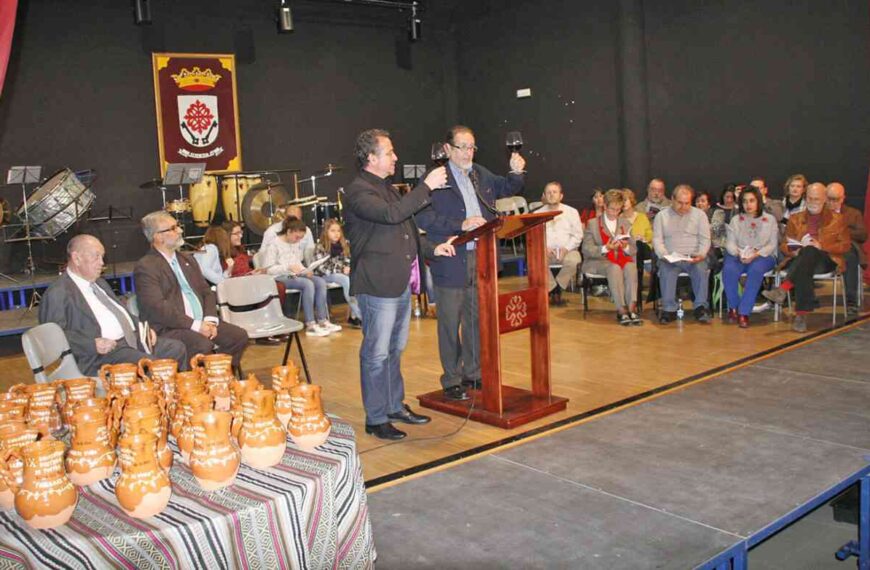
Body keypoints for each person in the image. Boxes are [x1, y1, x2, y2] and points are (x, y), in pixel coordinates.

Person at [344, 128, 456, 441]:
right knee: (376, 354)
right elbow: (393, 215)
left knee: (394, 350)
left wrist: (433, 249)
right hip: (377, 285)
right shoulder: (358, 191)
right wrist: (426, 186)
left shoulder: (388, 188)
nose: (396, 157)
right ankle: (376, 417)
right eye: (389, 152)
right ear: (371, 157)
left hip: (398, 282)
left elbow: (407, 229)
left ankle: (394, 406)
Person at [415, 125, 525, 401]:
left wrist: (516, 171)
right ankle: (451, 378)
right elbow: (422, 218)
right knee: (450, 323)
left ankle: (473, 373)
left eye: (472, 146)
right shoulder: (435, 179)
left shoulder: (480, 173)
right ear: (448, 149)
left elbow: (507, 187)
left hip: (483, 256)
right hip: (453, 258)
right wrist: (460, 224)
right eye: (462, 146)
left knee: (476, 320)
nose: (468, 152)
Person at [39, 234, 188, 377]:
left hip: (129, 341)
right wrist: (92, 344)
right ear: (77, 258)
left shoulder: (99, 283)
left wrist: (143, 328)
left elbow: (121, 313)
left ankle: (172, 396)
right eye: (96, 256)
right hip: (99, 356)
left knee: (176, 349)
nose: (102, 263)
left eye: (102, 257)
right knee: (152, 365)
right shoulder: (58, 293)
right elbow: (51, 337)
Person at [133, 212, 249, 370]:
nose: (180, 231)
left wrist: (210, 321)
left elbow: (206, 291)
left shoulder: (187, 259)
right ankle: (194, 384)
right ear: (158, 237)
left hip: (201, 322)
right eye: (173, 228)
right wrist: (195, 325)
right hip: (170, 327)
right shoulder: (146, 267)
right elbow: (158, 307)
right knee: (202, 344)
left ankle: (217, 378)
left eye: (178, 227)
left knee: (238, 337)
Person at [763, 183, 851, 332]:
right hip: (800, 259)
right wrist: (794, 251)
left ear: (824, 199)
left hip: (826, 259)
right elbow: (784, 244)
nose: (812, 202)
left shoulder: (837, 219)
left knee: (810, 251)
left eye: (816, 199)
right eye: (809, 198)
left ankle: (784, 289)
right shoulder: (795, 218)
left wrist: (821, 246)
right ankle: (800, 316)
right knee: (806, 257)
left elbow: (846, 245)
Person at [261, 217, 339, 337]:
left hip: (294, 275)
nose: (298, 240)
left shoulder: (295, 244)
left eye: (301, 238)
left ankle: (323, 320)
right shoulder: (274, 245)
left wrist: (305, 270)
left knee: (319, 281)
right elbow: (268, 269)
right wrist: (288, 267)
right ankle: (310, 324)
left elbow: (297, 263)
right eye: (297, 237)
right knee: (307, 284)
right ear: (289, 232)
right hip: (279, 277)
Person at [652, 184, 712, 324]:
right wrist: (665, 255)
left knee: (701, 268)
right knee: (667, 269)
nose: (683, 207)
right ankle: (669, 309)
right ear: (672, 199)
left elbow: (705, 239)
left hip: (694, 256)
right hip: (670, 256)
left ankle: (700, 307)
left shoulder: (700, 215)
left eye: (687, 203)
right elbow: (657, 240)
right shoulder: (661, 216)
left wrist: (701, 254)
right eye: (680, 203)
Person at [721, 187, 779, 328]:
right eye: (745, 201)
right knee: (728, 270)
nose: (748, 205)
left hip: (762, 255)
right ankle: (734, 307)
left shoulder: (769, 220)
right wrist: (739, 253)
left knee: (755, 270)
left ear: (758, 201)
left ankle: (744, 312)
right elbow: (730, 243)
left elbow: (772, 245)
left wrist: (756, 254)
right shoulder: (736, 220)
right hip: (739, 254)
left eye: (752, 201)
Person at [223, 221, 287, 345]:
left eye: (240, 232)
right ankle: (264, 330)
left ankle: (274, 325)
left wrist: (257, 271)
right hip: (237, 286)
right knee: (270, 289)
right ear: (227, 235)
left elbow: (246, 268)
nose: (240, 236)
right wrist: (248, 276)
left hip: (249, 281)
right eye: (236, 234)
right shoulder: (224, 253)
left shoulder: (239, 249)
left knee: (278, 286)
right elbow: (228, 275)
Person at [582, 189, 640, 325]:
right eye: (612, 209)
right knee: (614, 268)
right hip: (598, 261)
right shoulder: (592, 224)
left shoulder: (625, 223)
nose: (615, 213)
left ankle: (632, 307)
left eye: (618, 210)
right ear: (605, 206)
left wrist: (625, 246)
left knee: (631, 267)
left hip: (620, 258)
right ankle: (621, 310)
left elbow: (633, 249)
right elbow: (586, 249)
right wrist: (605, 248)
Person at [825, 182, 867, 315]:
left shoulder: (853, 213)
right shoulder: (819, 212)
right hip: (824, 250)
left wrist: (841, 231)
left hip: (845, 249)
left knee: (849, 256)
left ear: (843, 198)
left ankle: (851, 301)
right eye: (829, 199)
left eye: (835, 199)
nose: (832, 203)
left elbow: (862, 235)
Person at [538, 181, 582, 306]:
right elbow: (535, 237)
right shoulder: (537, 214)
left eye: (554, 192)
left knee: (573, 261)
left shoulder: (572, 212)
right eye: (549, 192)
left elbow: (578, 235)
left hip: (569, 250)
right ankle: (554, 290)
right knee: (537, 260)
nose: (551, 195)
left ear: (561, 196)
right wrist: (544, 247)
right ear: (544, 196)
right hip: (547, 251)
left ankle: (556, 289)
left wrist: (567, 248)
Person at [314, 218, 362, 328]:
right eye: (333, 231)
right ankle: (362, 316)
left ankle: (354, 316)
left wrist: (348, 267)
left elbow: (348, 260)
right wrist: (341, 269)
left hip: (340, 274)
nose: (336, 234)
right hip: (324, 276)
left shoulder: (344, 245)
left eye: (338, 231)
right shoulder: (320, 247)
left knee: (356, 278)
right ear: (326, 232)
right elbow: (322, 268)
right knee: (346, 280)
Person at [710, 184, 738, 251]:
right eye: (727, 197)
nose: (729, 200)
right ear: (723, 196)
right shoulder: (715, 209)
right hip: (718, 242)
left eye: (732, 197)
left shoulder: (738, 210)